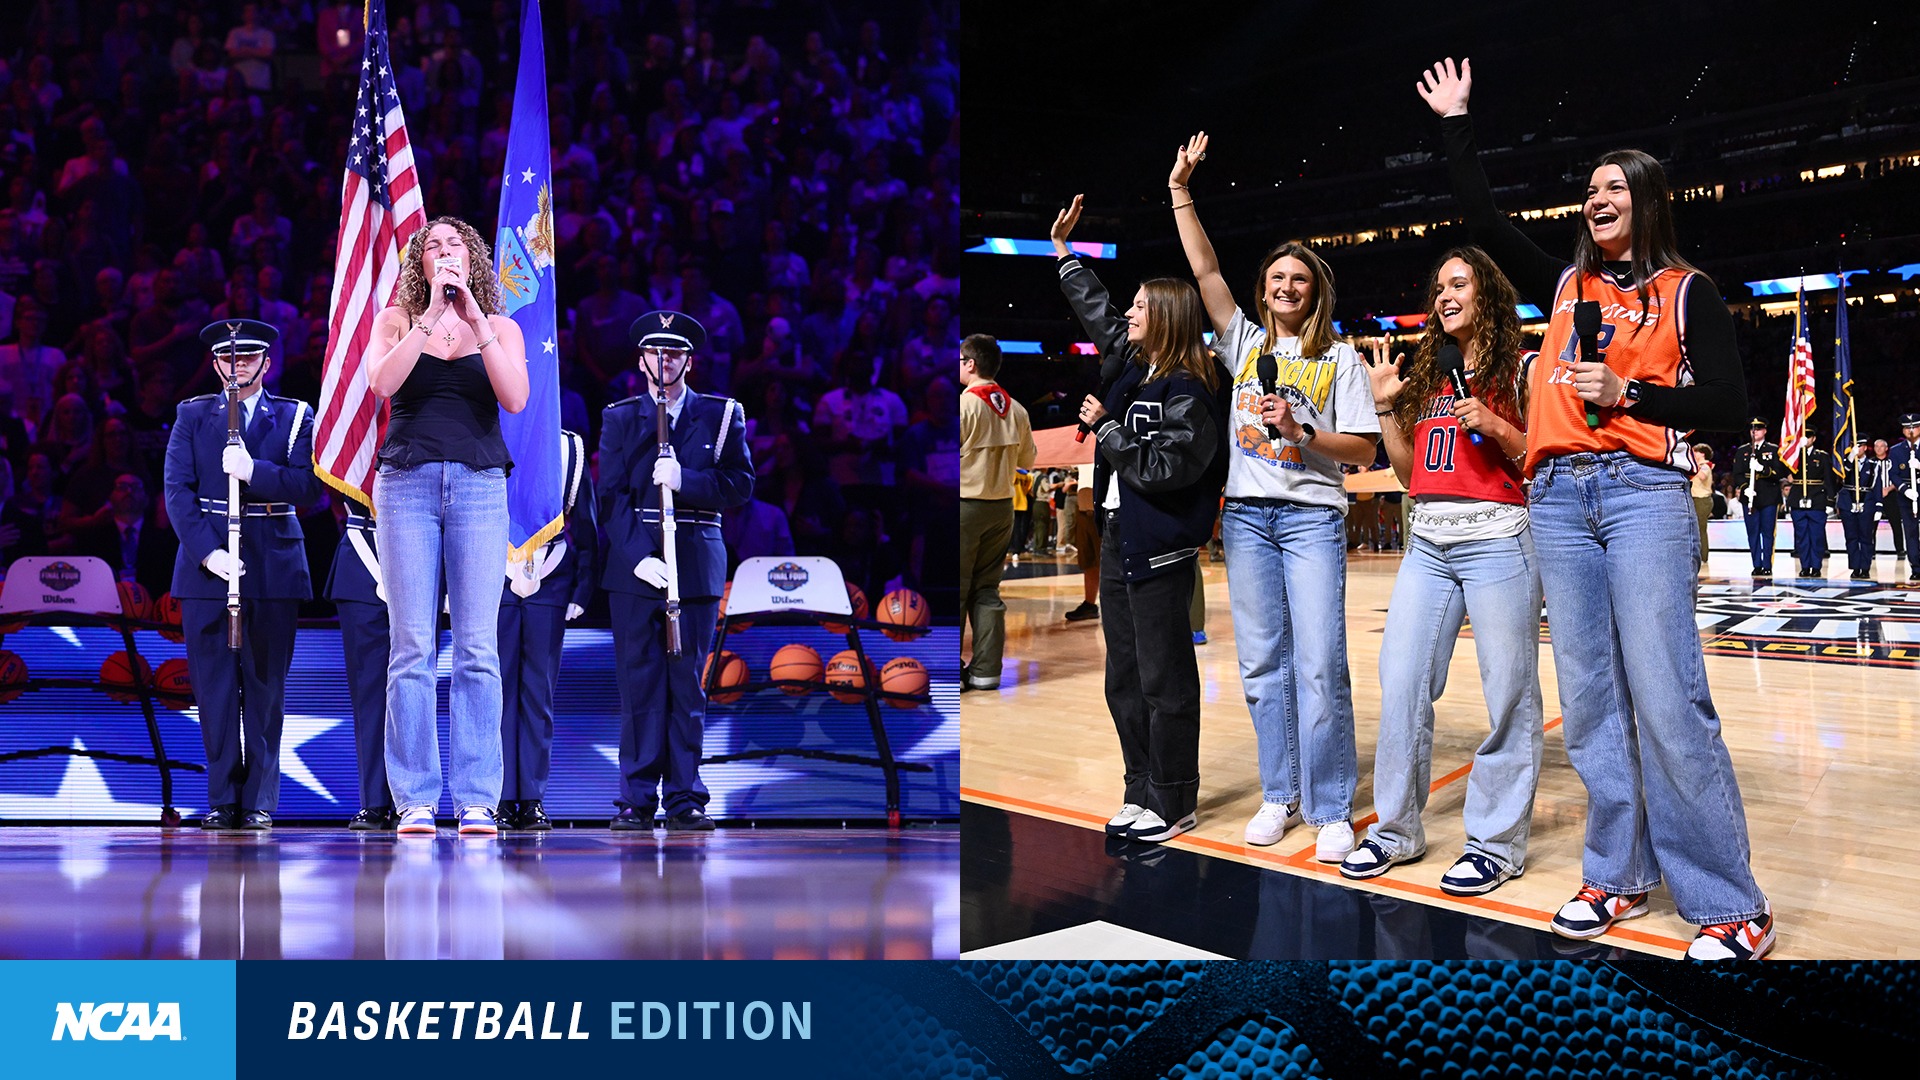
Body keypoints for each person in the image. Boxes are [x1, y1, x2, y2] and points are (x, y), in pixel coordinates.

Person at [1423, 57, 1774, 958]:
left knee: (1666, 693)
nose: (1595, 198)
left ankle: (1731, 902)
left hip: (1641, 494)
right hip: (1555, 496)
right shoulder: (1566, 285)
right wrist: (1458, 123)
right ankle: (1618, 875)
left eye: (1613, 187)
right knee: (1587, 702)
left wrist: (1629, 393)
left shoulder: (1689, 292)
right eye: (1589, 189)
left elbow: (1730, 408)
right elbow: (1484, 221)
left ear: (1648, 200)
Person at [1168, 135, 1382, 862]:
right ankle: (1279, 793)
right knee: (1262, 664)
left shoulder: (1340, 358)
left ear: (1315, 291)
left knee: (1320, 662)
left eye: (1300, 279)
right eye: (1277, 278)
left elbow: (1363, 450)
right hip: (1250, 520)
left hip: (1313, 518)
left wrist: (1302, 428)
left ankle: (1329, 807)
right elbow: (1203, 268)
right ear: (1263, 290)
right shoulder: (1243, 344)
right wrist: (1181, 190)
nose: (1287, 286)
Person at [1339, 247, 1543, 896]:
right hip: (1428, 541)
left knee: (1509, 693)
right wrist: (1384, 409)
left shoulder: (1523, 369)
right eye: (1439, 286)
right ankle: (1396, 832)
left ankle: (1496, 845)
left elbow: (1543, 458)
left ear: (1488, 296)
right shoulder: (1429, 374)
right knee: (1400, 681)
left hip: (1500, 540)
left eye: (1459, 283)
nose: (1444, 295)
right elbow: (1408, 475)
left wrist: (1498, 427)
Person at [1055, 192, 1229, 844]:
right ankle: (1139, 789)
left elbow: (1165, 471)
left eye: (1139, 306)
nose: (1126, 313)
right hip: (1122, 539)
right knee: (1123, 680)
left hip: (1159, 549)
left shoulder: (1192, 388)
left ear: (1166, 319)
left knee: (1166, 682)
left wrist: (1106, 430)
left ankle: (1174, 799)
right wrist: (1065, 255)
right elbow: (1098, 312)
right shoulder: (1133, 365)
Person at [364, 216, 531, 837]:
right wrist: (432, 315)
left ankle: (478, 797)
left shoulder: (503, 327)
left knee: (477, 647)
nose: (442, 252)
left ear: (473, 257)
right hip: (405, 485)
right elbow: (381, 383)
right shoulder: (397, 320)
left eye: (453, 244)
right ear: (421, 264)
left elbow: (515, 398)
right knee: (411, 646)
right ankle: (414, 798)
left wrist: (477, 322)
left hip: (481, 486)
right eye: (430, 247)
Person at [164, 318, 320, 830]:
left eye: (248, 359)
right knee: (212, 690)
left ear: (265, 364)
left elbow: (307, 488)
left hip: (272, 561)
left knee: (265, 688)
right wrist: (209, 554)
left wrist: (255, 471)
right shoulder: (191, 417)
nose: (238, 368)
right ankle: (222, 799)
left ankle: (258, 802)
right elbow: (178, 494)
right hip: (207, 569)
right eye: (229, 360)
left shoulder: (295, 417)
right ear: (215, 364)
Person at [600, 311, 753, 831]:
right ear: (641, 359)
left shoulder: (721, 414)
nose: (663, 362)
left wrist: (688, 478)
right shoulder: (621, 418)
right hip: (636, 567)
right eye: (654, 353)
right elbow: (611, 497)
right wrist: (638, 555)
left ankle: (686, 797)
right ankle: (637, 799)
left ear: (689, 360)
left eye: (674, 353)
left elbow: (739, 485)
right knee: (639, 686)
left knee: (687, 686)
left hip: (694, 557)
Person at [498, 428, 597, 830]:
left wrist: (583, 587)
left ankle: (532, 798)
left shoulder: (569, 446)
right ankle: (500, 797)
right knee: (496, 690)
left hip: (551, 575)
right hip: (493, 574)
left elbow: (587, 526)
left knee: (538, 693)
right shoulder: (488, 427)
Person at [959, 333, 1034, 693]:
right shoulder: (1016, 408)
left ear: (970, 364)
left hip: (964, 505)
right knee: (987, 589)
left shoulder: (963, 406)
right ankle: (987, 671)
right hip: (1002, 507)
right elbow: (1027, 461)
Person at [323, 495, 393, 830]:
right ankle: (376, 802)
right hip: (362, 558)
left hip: (424, 553)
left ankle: (415, 800)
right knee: (369, 695)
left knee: (415, 690)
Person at [1730, 420, 1787, 578]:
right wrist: (1744, 487)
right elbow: (1737, 474)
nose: (1755, 431)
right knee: (1752, 532)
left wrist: (1763, 469)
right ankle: (1757, 564)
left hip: (1768, 496)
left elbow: (1779, 472)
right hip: (1749, 497)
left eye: (1759, 429)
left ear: (1765, 431)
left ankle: (1767, 564)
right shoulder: (1743, 451)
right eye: (1752, 429)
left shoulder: (1773, 450)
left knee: (1767, 532)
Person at [1784, 435, 1833, 579]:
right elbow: (1783, 468)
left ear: (1813, 438)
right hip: (1798, 498)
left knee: (1816, 536)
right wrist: (1788, 474)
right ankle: (1805, 566)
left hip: (1817, 499)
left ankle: (1816, 566)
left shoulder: (1822, 456)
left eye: (1808, 437)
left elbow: (1829, 478)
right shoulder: (1794, 455)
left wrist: (1830, 501)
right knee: (1801, 536)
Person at [1835, 442, 1878, 580]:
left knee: (1865, 537)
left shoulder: (1873, 464)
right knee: (1851, 537)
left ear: (1865, 448)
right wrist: (1850, 457)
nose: (1857, 449)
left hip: (1866, 502)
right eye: (1854, 446)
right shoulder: (1846, 463)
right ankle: (1855, 567)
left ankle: (1865, 567)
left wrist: (1878, 506)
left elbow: (1877, 485)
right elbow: (1841, 477)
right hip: (1848, 502)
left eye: (1860, 446)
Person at [1891, 413, 1920, 587]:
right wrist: (1905, 490)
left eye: (1914, 427)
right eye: (1907, 427)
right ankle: (1916, 568)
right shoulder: (1896, 450)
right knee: (1910, 533)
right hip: (1906, 496)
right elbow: (1893, 474)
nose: (1911, 431)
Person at [1690, 444, 1716, 573]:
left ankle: (1703, 556)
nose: (1693, 453)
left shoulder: (1704, 466)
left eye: (1696, 452)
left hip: (1702, 499)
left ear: (1702, 454)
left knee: (1701, 528)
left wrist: (1696, 465)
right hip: (1695, 499)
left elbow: (1703, 477)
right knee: (1696, 528)